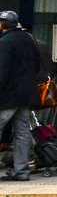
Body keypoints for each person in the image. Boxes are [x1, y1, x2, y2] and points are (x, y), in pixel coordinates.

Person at [0, 11, 42, 181]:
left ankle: (21, 171)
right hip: (25, 95)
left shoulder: (4, 42)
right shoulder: (29, 39)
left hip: (8, 96)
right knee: (22, 133)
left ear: (2, 24)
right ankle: (22, 171)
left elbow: (2, 72)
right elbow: (37, 66)